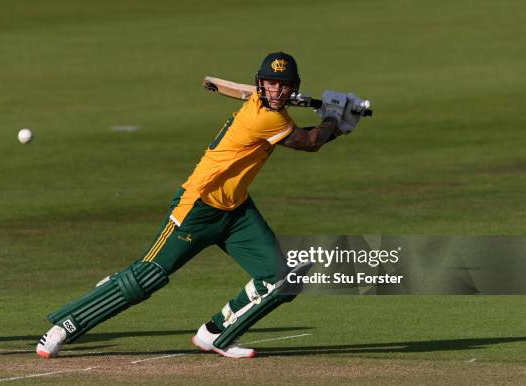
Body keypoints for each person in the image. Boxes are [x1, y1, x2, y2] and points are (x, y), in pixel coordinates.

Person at [36, 51, 365, 359]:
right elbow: (309, 142)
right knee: (145, 279)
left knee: (282, 277)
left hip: (235, 211)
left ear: (293, 87)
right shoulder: (263, 117)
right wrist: (335, 119)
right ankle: (65, 326)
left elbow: (306, 136)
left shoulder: (272, 114)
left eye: (283, 85)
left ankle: (215, 333)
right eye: (270, 83)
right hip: (198, 207)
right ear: (260, 84)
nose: (276, 91)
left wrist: (334, 126)